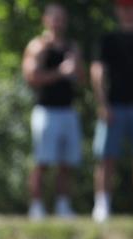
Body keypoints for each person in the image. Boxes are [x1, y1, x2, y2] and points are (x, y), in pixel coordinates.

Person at [22, 4, 86, 220]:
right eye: (55, 18)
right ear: (46, 20)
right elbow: (31, 77)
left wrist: (75, 67)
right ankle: (37, 205)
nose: (58, 23)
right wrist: (59, 72)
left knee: (66, 163)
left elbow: (82, 78)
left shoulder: (71, 47)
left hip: (68, 110)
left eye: (62, 19)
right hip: (45, 111)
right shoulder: (37, 46)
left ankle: (62, 205)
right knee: (42, 162)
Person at [91, 0, 133, 222]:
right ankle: (102, 204)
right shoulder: (108, 40)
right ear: (117, 10)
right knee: (107, 158)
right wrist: (103, 103)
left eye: (132, 7)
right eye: (124, 7)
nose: (128, 11)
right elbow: (97, 71)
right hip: (115, 106)